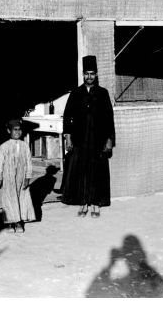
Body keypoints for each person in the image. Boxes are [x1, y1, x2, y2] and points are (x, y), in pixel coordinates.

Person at [61, 55, 115, 217]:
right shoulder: (76, 93)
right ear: (83, 74)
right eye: (86, 74)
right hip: (80, 140)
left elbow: (109, 118)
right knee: (82, 171)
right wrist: (68, 137)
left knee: (98, 171)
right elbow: (67, 116)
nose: (89, 77)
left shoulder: (103, 93)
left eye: (92, 73)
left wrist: (109, 139)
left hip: (98, 140)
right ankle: (84, 203)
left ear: (96, 74)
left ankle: (96, 204)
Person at [0, 119, 35, 232]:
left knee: (20, 198)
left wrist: (27, 177)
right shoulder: (4, 146)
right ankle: (10, 222)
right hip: (8, 177)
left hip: (21, 177)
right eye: (15, 130)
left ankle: (18, 222)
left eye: (19, 130)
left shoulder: (25, 146)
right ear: (9, 131)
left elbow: (28, 162)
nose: (17, 132)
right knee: (9, 199)